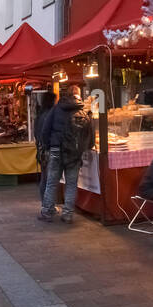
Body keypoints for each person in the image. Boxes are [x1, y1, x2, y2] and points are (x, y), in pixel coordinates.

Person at [38, 86, 94, 223]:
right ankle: (68, 214)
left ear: (66, 95)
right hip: (74, 153)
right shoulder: (83, 111)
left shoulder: (56, 109)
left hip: (56, 149)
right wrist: (86, 147)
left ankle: (47, 211)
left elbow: (45, 130)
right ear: (79, 96)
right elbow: (90, 135)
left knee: (52, 182)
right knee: (71, 183)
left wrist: (47, 146)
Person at [33, 90, 56, 199]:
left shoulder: (40, 115)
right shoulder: (50, 115)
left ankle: (45, 203)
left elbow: (36, 133)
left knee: (44, 177)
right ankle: (48, 205)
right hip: (48, 149)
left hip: (41, 150)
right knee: (49, 179)